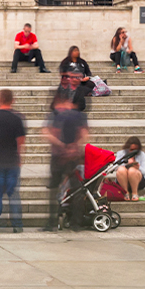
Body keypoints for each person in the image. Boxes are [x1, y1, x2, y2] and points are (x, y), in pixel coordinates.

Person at [42, 90, 88, 231]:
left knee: (54, 188)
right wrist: (75, 147)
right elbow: (84, 134)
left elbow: (47, 132)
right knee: (76, 189)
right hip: (73, 157)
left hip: (58, 157)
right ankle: (75, 223)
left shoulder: (56, 115)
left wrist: (61, 145)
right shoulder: (79, 116)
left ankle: (52, 222)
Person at [0, 88, 27, 233]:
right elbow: (21, 142)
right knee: (13, 194)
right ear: (12, 100)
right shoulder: (17, 118)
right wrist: (19, 159)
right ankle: (17, 225)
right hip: (12, 162)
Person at [114, 136, 145, 202]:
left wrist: (138, 168)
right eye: (131, 149)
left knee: (132, 171)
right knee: (121, 169)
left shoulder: (141, 155)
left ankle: (135, 193)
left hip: (138, 181)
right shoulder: (121, 153)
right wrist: (126, 164)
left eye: (135, 150)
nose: (132, 152)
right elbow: (115, 167)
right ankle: (126, 193)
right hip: (123, 180)